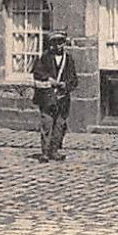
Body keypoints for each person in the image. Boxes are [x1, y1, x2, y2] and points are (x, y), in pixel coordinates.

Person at [32, 30, 78, 163]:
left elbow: (74, 80)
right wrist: (50, 80)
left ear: (64, 43)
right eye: (55, 42)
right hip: (47, 97)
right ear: (51, 44)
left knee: (59, 125)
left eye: (60, 42)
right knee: (47, 124)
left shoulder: (68, 59)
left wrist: (65, 84)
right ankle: (45, 152)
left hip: (62, 98)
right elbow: (37, 72)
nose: (58, 45)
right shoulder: (45, 57)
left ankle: (54, 151)